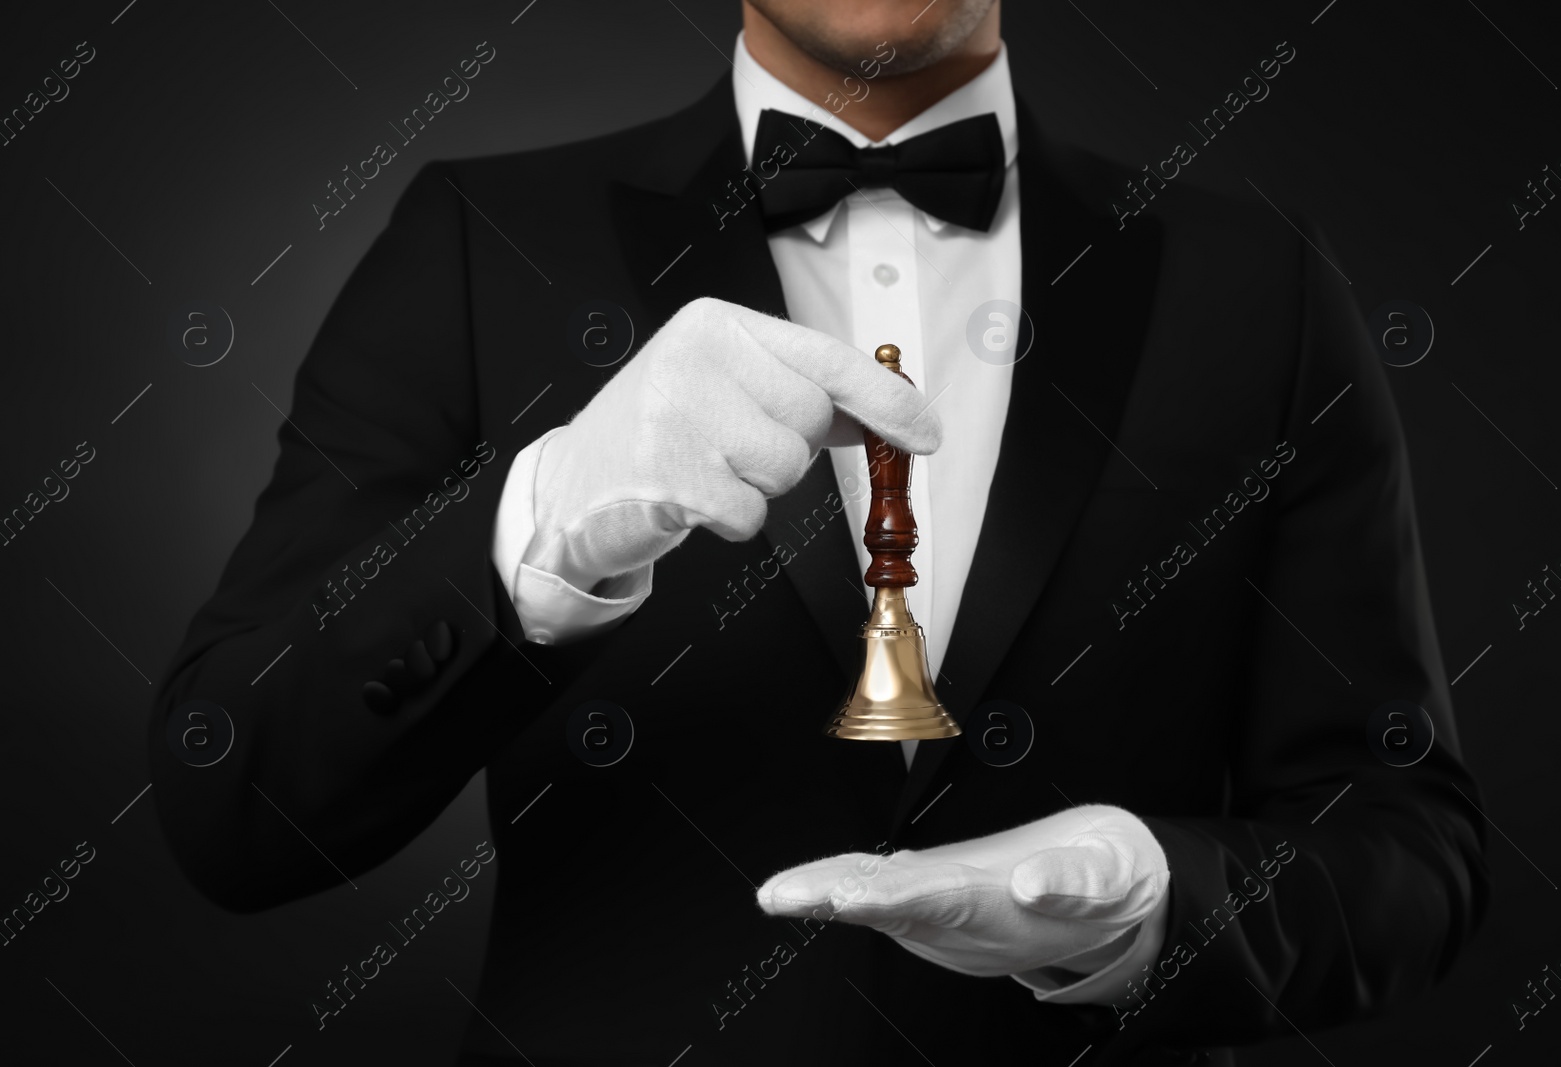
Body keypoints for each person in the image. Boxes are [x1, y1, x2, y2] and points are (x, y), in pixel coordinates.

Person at [148, 1, 1490, 1063]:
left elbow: (1409, 847)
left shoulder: (1259, 283)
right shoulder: (478, 242)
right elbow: (236, 806)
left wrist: (1154, 907)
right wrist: (536, 532)